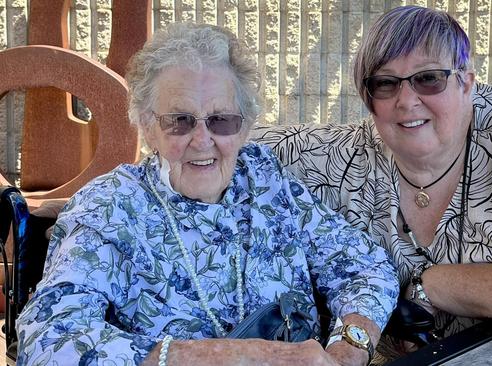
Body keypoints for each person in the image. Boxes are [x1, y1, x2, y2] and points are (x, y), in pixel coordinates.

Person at [252, 5, 492, 362]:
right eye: (385, 84)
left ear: (466, 82)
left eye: (428, 79)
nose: (406, 100)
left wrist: (433, 285)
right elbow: (225, 142)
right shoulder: (346, 156)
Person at [15, 23, 399, 366]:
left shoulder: (267, 180)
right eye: (179, 121)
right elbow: (48, 337)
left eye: (222, 120)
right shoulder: (111, 206)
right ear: (147, 127)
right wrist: (227, 355)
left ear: (245, 126)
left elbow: (365, 266)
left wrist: (348, 348)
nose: (203, 140)